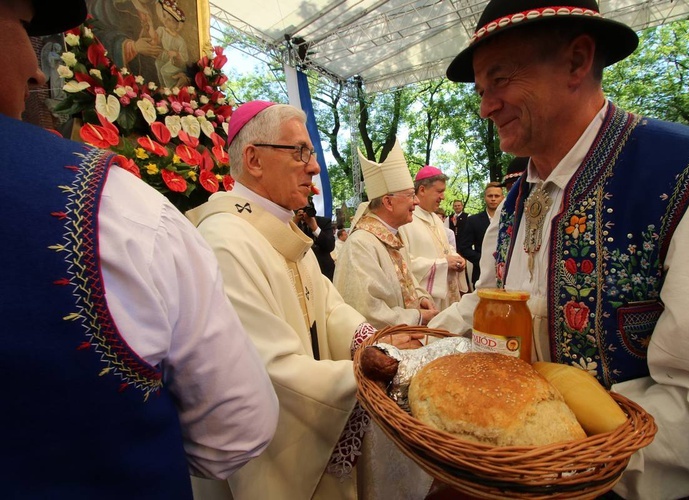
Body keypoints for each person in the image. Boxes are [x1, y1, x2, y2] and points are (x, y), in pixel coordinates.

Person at [442, 0, 689, 497]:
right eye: (481, 90)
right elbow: (487, 306)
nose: (485, 106)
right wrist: (411, 344)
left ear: (577, 61)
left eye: (499, 81)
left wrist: (552, 462)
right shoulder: (515, 200)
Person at [0, 0, 279, 497]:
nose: (37, 74)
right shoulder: (125, 211)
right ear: (253, 160)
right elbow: (237, 429)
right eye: (22, 26)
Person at [186, 101, 424, 500]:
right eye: (299, 152)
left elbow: (327, 309)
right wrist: (361, 374)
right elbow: (267, 371)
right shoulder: (225, 240)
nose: (314, 167)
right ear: (254, 160)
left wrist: (370, 342)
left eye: (310, 154)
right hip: (270, 463)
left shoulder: (277, 228)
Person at [333, 140, 439, 329]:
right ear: (388, 202)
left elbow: (405, 278)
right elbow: (367, 311)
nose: (415, 202)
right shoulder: (361, 244)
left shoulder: (393, 237)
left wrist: (420, 296)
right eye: (409, 195)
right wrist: (418, 317)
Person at [398, 165, 466, 310]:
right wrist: (443, 264)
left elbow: (445, 248)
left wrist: (456, 258)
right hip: (427, 300)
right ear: (422, 190)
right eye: (439, 192)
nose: (443, 197)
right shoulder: (405, 221)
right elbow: (404, 264)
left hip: (447, 295)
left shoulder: (435, 218)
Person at [457, 181, 504, 286]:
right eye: (490, 196)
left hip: (507, 275)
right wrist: (483, 260)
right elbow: (464, 247)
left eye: (496, 196)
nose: (493, 198)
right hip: (481, 274)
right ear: (485, 197)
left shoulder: (510, 219)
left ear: (502, 197)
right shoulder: (473, 220)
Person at [295, 201, 337, 280]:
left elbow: (330, 246)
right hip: (303, 269)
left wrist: (315, 228)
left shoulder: (324, 222)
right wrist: (294, 223)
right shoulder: (294, 223)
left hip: (324, 269)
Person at [155, 0, 189, 88]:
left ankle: (170, 89)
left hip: (175, 63)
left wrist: (176, 54)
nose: (165, 20)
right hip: (165, 56)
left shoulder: (180, 41)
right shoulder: (162, 30)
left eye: (169, 20)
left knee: (164, 70)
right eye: (165, 17)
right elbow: (156, 40)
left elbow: (184, 58)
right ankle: (162, 86)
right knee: (158, 63)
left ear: (175, 24)